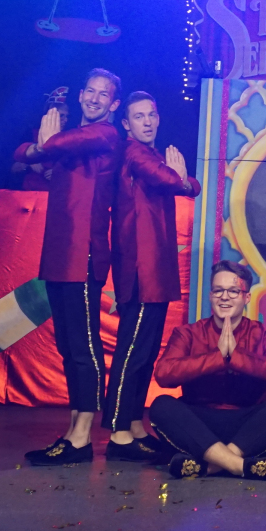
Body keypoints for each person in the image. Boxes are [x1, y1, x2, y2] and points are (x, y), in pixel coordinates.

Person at [12, 69, 123, 466]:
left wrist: (45, 145)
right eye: (89, 91)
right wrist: (41, 146)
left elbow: (53, 144)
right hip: (58, 253)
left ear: (113, 104)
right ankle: (73, 429)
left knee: (84, 344)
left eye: (103, 94)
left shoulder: (106, 134)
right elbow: (20, 152)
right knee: (67, 345)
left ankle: (82, 435)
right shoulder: (71, 137)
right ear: (79, 95)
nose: (94, 98)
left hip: (84, 252)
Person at [101, 90, 200, 461]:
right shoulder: (133, 152)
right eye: (139, 116)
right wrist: (182, 179)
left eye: (152, 114)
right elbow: (173, 181)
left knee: (144, 351)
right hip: (141, 265)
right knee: (132, 350)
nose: (147, 121)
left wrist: (184, 181)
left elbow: (188, 185)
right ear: (126, 124)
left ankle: (133, 423)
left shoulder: (151, 153)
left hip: (156, 265)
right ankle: (118, 432)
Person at [150, 261, 266, 480]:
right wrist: (217, 357)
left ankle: (210, 466)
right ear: (211, 296)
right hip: (200, 423)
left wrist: (236, 357)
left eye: (233, 291)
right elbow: (164, 374)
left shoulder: (265, 335)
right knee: (161, 406)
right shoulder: (187, 333)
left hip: (246, 425)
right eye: (218, 291)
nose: (225, 297)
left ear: (246, 297)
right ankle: (239, 465)